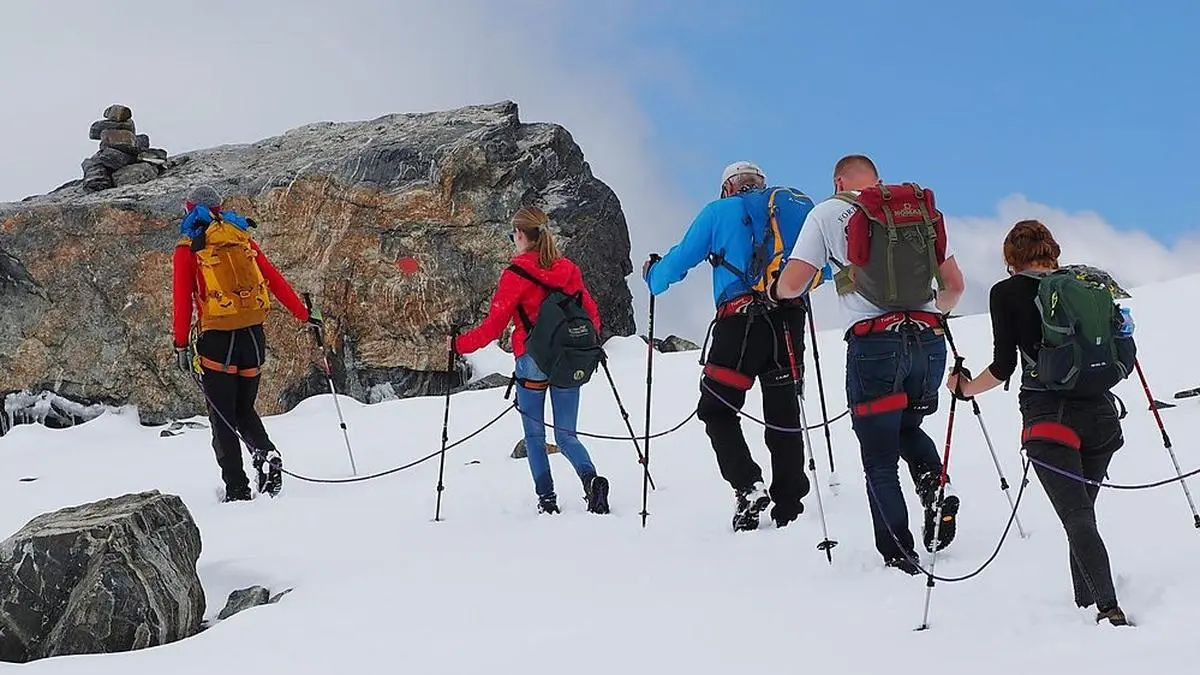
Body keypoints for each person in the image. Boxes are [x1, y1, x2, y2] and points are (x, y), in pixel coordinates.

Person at [771, 154, 966, 573]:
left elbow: (791, 285)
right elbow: (955, 287)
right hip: (928, 342)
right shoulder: (916, 211)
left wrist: (777, 292)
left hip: (874, 344)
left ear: (838, 180)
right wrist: (933, 313)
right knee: (908, 427)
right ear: (876, 180)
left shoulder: (827, 213)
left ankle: (900, 553)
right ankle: (933, 483)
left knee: (879, 457)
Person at [944, 220, 1133, 626]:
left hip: (1047, 418)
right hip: (1100, 415)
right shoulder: (1088, 284)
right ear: (1052, 250)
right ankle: (1086, 603)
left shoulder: (1006, 292)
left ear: (1011, 257)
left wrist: (965, 389)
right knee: (1083, 512)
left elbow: (1002, 366)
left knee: (1076, 516)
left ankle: (1108, 609)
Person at [642, 161, 815, 532]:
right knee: (783, 414)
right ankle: (789, 505)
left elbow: (677, 263)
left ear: (728, 188)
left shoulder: (718, 212)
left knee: (717, 409)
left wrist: (652, 276)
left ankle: (747, 485)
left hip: (739, 325)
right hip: (788, 321)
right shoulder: (790, 212)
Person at [453, 205, 610, 516]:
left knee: (535, 435)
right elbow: (591, 313)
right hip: (567, 359)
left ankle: (547, 499)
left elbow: (492, 328)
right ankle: (590, 481)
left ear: (522, 235)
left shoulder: (515, 275)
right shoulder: (568, 269)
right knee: (566, 435)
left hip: (532, 359)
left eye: (514, 234)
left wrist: (458, 344)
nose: (514, 239)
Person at [171, 185, 319, 502]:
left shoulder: (188, 248)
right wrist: (304, 314)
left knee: (222, 416)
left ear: (189, 209)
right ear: (220, 207)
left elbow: (182, 301)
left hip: (215, 343)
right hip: (253, 337)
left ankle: (236, 490)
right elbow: (274, 279)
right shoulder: (242, 238)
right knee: (243, 408)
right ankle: (265, 453)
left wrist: (181, 345)